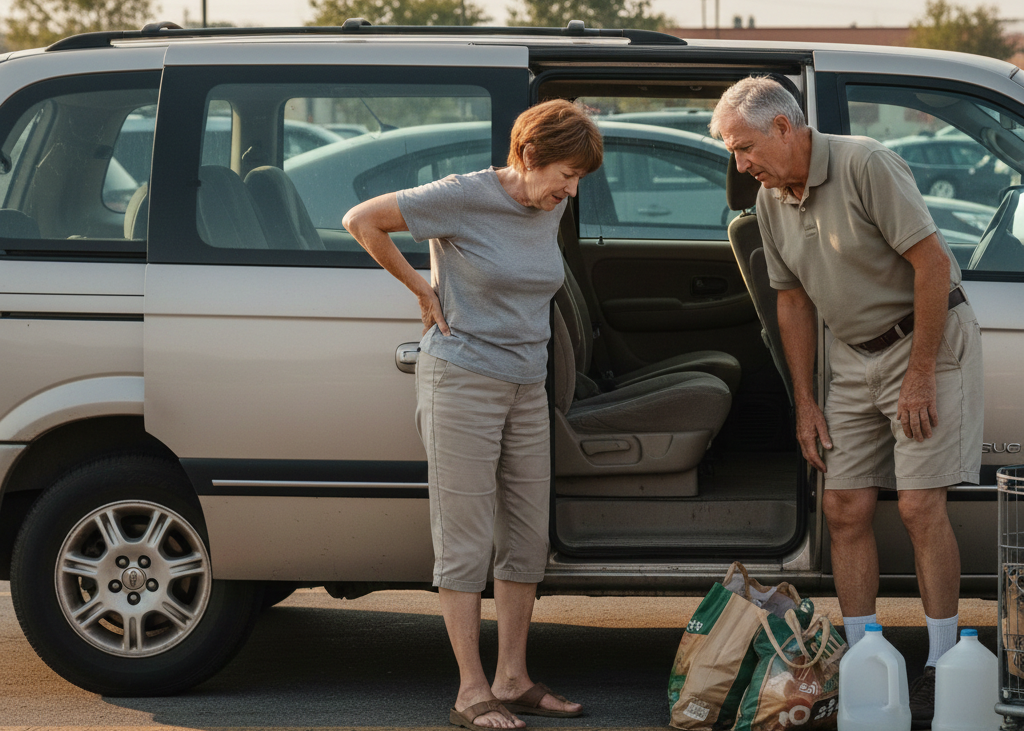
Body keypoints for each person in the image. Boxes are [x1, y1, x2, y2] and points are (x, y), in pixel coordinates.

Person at [709, 76, 983, 723]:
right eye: (732, 151)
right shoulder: (770, 199)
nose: (740, 165)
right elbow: (792, 301)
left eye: (745, 147)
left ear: (783, 127)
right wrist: (806, 401)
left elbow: (932, 264)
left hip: (924, 342)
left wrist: (921, 373)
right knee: (843, 506)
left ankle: (942, 664)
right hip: (853, 357)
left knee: (919, 506)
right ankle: (863, 662)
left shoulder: (866, 163)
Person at [342, 99, 603, 731]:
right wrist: (421, 288)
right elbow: (361, 220)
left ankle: (513, 677)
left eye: (578, 179)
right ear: (530, 155)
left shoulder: (550, 203)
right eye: (567, 174)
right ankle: (471, 690)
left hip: (526, 386)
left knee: (527, 538)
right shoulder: (463, 195)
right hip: (463, 380)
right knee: (465, 540)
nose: (572, 190)